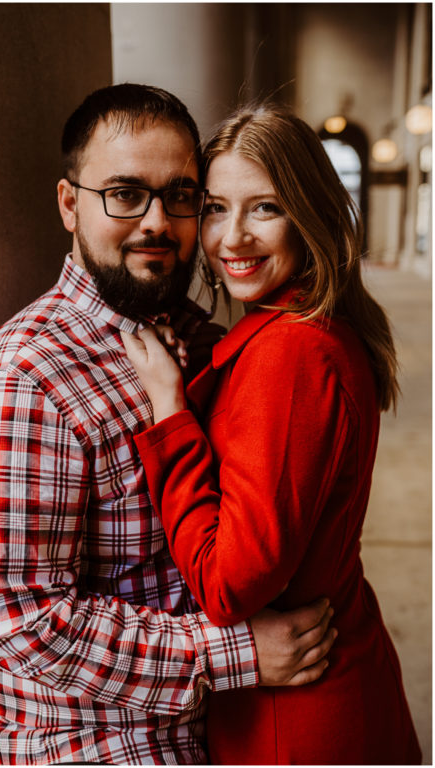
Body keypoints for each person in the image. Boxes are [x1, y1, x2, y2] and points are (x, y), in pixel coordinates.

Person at [0, 83, 337, 765]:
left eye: (182, 196)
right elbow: (24, 626)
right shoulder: (23, 378)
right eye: (125, 194)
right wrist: (237, 653)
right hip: (95, 747)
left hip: (218, 732)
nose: (158, 222)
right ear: (70, 204)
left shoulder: (206, 340)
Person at [122, 104, 421, 764]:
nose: (234, 238)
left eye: (264, 209)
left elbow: (229, 584)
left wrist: (170, 415)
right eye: (215, 208)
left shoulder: (289, 354)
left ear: (309, 215)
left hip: (295, 719)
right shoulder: (319, 324)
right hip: (338, 673)